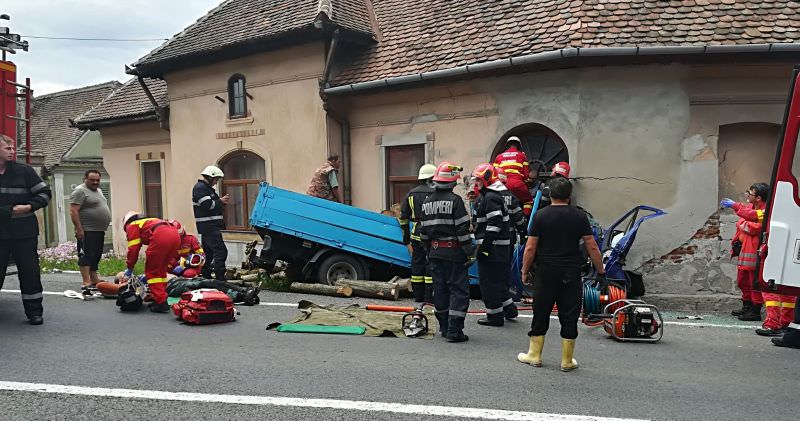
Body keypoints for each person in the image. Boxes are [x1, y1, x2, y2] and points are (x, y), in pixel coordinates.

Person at [517, 177, 606, 371]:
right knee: (569, 313)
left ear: (550, 195)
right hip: (570, 272)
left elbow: (530, 248)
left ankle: (534, 355)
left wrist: (524, 271)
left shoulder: (540, 216)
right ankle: (567, 359)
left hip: (545, 271)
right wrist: (601, 271)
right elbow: (591, 245)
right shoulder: (579, 217)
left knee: (541, 311)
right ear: (569, 196)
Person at [722, 183, 795, 333]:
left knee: (759, 285)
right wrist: (743, 221)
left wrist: (737, 211)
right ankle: (751, 308)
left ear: (759, 197)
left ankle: (762, 315)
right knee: (745, 282)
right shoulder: (755, 208)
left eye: (751, 192)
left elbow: (753, 224)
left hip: (757, 253)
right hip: (748, 251)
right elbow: (746, 218)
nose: (748, 194)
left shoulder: (766, 211)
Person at [0, 134, 51, 325]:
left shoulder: (25, 172)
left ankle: (34, 312)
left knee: (29, 273)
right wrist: (8, 211)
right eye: (8, 148)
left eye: (13, 148)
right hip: (1, 234)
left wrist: (29, 207)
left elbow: (45, 194)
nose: (12, 151)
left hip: (24, 234)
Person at [419, 162, 472, 343]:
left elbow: (423, 232)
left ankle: (443, 327)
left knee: (439, 289)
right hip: (454, 253)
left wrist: (429, 251)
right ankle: (455, 331)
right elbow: (463, 230)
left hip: (434, 253)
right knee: (458, 290)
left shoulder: (426, 202)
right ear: (452, 182)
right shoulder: (455, 201)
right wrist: (469, 253)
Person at [471, 163, 519, 326]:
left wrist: (484, 248)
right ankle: (509, 309)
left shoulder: (491, 197)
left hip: (493, 249)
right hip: (498, 249)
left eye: (477, 179)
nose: (475, 183)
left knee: (488, 283)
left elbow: (494, 224)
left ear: (486, 179)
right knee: (497, 281)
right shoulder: (489, 196)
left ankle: (494, 316)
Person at [123, 211, 181, 313]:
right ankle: (161, 296)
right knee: (161, 270)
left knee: (152, 272)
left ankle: (161, 302)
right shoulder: (149, 221)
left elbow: (133, 249)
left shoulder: (132, 225)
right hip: (175, 235)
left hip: (161, 237)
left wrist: (130, 267)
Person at [69, 169, 111, 296]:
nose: (95, 182)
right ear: (85, 179)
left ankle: (94, 279)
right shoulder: (80, 191)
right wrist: (79, 228)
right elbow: (73, 210)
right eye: (92, 180)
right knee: (86, 255)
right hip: (87, 229)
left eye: (97, 180)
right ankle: (86, 281)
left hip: (98, 230)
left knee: (96, 254)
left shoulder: (98, 190)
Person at [399, 164, 436, 302]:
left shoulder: (411, 194)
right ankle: (429, 297)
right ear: (432, 178)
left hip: (416, 234)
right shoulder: (436, 193)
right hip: (433, 234)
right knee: (430, 265)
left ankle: (418, 296)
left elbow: (403, 218)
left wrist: (406, 237)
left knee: (417, 265)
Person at [193, 165, 229, 281]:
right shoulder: (200, 188)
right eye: (216, 179)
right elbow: (207, 205)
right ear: (210, 177)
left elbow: (212, 204)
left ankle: (206, 276)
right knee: (221, 251)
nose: (216, 182)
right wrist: (220, 201)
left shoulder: (206, 189)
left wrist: (220, 202)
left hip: (209, 227)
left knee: (208, 254)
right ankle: (220, 279)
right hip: (209, 227)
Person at [493, 136, 532, 216]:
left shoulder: (498, 157)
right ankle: (525, 218)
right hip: (517, 184)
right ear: (518, 145)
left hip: (501, 185)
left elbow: (494, 173)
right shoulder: (522, 155)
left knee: (499, 202)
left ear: (507, 145)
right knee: (528, 201)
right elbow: (526, 175)